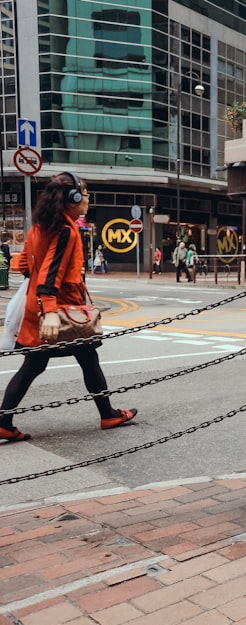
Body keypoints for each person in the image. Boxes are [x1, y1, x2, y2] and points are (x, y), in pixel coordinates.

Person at [0, 173, 137, 442]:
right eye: (84, 194)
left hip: (35, 308)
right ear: (72, 198)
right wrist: (50, 310)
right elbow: (51, 272)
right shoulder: (65, 230)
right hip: (62, 313)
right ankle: (108, 414)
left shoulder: (38, 227)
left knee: (35, 363)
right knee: (87, 358)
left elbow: (24, 266)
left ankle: (4, 420)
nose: (87, 199)